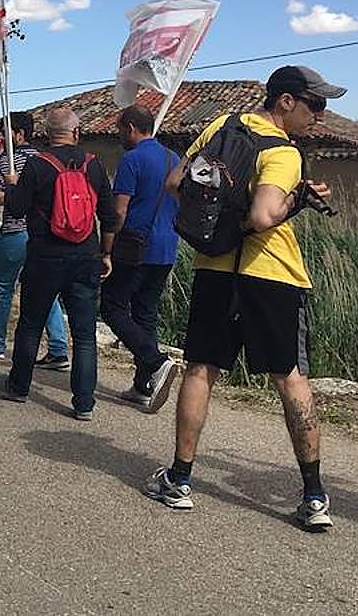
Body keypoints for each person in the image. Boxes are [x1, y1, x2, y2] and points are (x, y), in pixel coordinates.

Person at [145, 66, 345, 531]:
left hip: (215, 268)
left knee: (201, 369)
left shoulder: (222, 126)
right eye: (315, 105)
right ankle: (314, 496)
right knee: (290, 379)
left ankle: (179, 479)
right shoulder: (284, 152)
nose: (321, 115)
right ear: (286, 102)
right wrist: (295, 200)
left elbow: (175, 183)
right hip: (271, 273)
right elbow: (262, 216)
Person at [0, 108, 118, 418]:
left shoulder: (38, 164)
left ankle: (19, 386)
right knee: (85, 334)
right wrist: (105, 254)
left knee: (31, 324)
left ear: (47, 134)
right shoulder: (94, 165)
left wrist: (12, 185)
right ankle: (84, 403)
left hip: (45, 256)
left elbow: (18, 207)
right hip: (86, 256)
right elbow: (109, 215)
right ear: (76, 133)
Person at [0, 112, 71, 367]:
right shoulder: (43, 159)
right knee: (47, 291)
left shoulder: (9, 161)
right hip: (40, 234)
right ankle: (58, 348)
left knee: (3, 288)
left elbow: (9, 197)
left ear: (19, 134)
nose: (1, 138)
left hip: (14, 231)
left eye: (5, 133)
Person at [102, 105, 183, 413]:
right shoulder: (173, 158)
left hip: (135, 247)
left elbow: (119, 210)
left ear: (133, 128)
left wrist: (105, 248)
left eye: (121, 129)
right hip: (166, 247)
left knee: (112, 307)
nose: (118, 135)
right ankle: (143, 385)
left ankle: (156, 360)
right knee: (146, 312)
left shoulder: (131, 160)